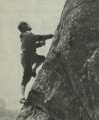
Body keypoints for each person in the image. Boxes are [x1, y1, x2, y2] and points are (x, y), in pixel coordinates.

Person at [17, 21, 54, 103]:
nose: (29, 25)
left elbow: (32, 45)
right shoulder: (28, 34)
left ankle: (33, 70)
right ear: (25, 27)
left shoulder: (25, 36)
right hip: (27, 57)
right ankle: (21, 98)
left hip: (29, 56)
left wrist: (40, 44)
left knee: (41, 59)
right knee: (26, 77)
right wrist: (51, 36)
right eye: (27, 24)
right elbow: (38, 37)